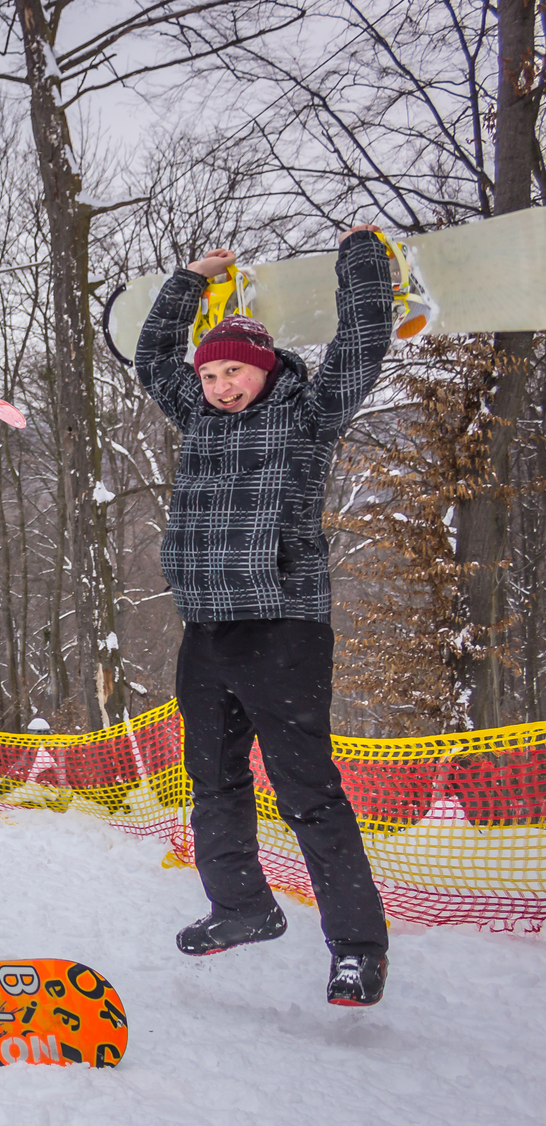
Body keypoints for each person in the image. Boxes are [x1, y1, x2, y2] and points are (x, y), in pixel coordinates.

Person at [134, 224, 396, 1007]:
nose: (221, 385)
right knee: (212, 780)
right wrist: (185, 281)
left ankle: (357, 950)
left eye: (234, 373)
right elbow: (152, 359)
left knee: (305, 788)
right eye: (211, 373)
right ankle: (242, 905)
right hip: (207, 630)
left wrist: (361, 264)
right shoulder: (198, 416)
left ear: (264, 368)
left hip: (284, 624)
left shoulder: (308, 413)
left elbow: (362, 346)